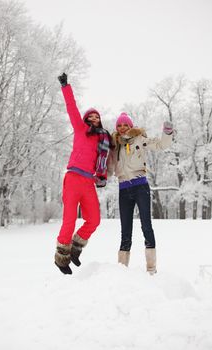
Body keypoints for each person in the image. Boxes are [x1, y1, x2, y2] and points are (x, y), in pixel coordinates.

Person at [55, 72, 112, 274]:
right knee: (69, 220)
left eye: (97, 117)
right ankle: (62, 257)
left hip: (88, 182)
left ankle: (75, 249)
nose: (95, 119)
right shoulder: (80, 128)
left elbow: (108, 159)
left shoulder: (103, 140)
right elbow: (72, 108)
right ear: (86, 119)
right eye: (91, 116)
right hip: (72, 179)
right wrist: (65, 86)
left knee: (94, 219)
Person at [107, 112, 173, 274]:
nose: (122, 128)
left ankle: (151, 268)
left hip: (140, 187)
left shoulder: (140, 139)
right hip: (123, 189)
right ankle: (122, 268)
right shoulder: (114, 146)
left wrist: (167, 133)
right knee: (125, 230)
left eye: (125, 125)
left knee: (146, 226)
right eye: (119, 126)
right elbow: (108, 169)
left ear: (131, 126)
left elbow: (160, 145)